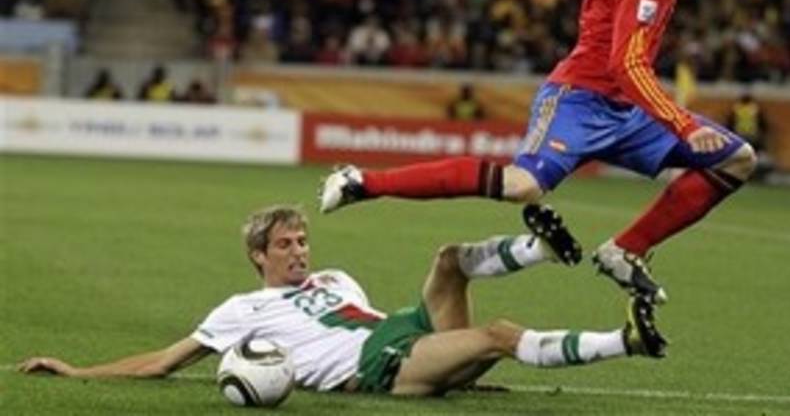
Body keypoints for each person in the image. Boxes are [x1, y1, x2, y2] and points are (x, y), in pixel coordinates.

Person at [320, 0, 757, 305]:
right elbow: (626, 64)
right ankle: (362, 182)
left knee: (736, 159)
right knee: (522, 186)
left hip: (628, 109)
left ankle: (625, 251)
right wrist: (684, 125)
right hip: (579, 100)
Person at [19, 204, 666, 396]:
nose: (299, 251)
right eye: (285, 244)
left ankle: (539, 248)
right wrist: (78, 371)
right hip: (380, 365)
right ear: (259, 256)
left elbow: (380, 320)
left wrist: (441, 353)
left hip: (403, 336)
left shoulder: (335, 277)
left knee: (448, 259)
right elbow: (163, 361)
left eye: (302, 240)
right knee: (498, 333)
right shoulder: (240, 309)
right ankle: (626, 341)